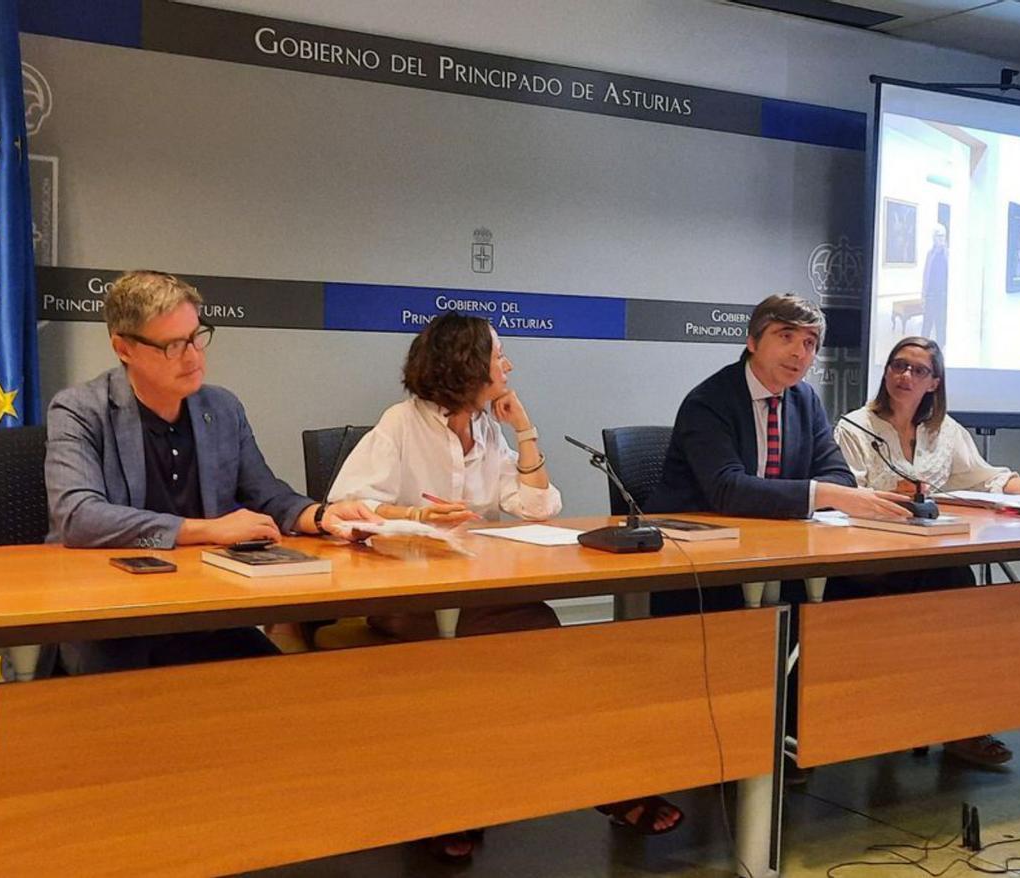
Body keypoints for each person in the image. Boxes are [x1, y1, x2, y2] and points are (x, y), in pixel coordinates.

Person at [327, 312, 683, 860]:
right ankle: (455, 804)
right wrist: (416, 515)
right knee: (505, 650)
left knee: (547, 642)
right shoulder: (400, 423)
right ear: (467, 364)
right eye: (499, 355)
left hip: (484, 598)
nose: (508, 364)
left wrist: (525, 428)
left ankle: (593, 781)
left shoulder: (490, 431)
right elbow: (343, 507)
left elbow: (539, 505)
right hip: (411, 598)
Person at [45, 270, 379, 674]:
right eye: (172, 346)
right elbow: (79, 517)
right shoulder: (80, 410)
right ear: (124, 348)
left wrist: (321, 515)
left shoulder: (221, 408)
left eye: (196, 336)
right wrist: (206, 530)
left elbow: (267, 494)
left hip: (202, 610)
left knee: (282, 686)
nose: (193, 356)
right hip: (112, 618)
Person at [834, 336, 1020, 766]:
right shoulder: (856, 426)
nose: (905, 376)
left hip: (930, 555)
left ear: (934, 383)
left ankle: (960, 724)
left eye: (918, 370)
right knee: (949, 584)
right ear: (886, 372)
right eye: (898, 366)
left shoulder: (945, 431)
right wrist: (895, 497)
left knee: (961, 592)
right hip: (870, 559)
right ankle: (903, 721)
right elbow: (843, 493)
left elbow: (989, 480)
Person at [646, 293, 911, 617]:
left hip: (777, 549)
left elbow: (839, 476)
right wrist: (822, 494)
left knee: (872, 597)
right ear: (753, 342)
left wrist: (824, 493)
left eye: (810, 343)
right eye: (786, 336)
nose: (799, 353)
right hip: (701, 565)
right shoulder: (709, 400)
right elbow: (727, 488)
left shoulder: (805, 400)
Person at [921, 223, 948, 346]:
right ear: (934, 237)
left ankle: (940, 351)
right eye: (938, 236)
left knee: (940, 324)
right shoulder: (930, 254)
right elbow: (926, 274)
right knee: (927, 323)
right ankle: (921, 348)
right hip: (931, 295)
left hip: (943, 296)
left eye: (943, 236)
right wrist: (923, 294)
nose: (941, 238)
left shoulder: (948, 254)